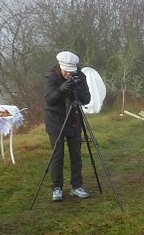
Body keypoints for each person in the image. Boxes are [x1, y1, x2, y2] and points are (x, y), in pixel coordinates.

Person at [44, 50, 92, 202]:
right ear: (60, 67)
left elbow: (87, 99)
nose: (69, 75)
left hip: (74, 118)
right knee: (57, 155)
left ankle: (76, 186)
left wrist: (76, 91)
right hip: (55, 120)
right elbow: (50, 100)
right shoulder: (51, 76)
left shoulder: (80, 77)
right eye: (66, 72)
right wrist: (61, 90)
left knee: (76, 154)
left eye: (71, 72)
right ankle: (56, 187)